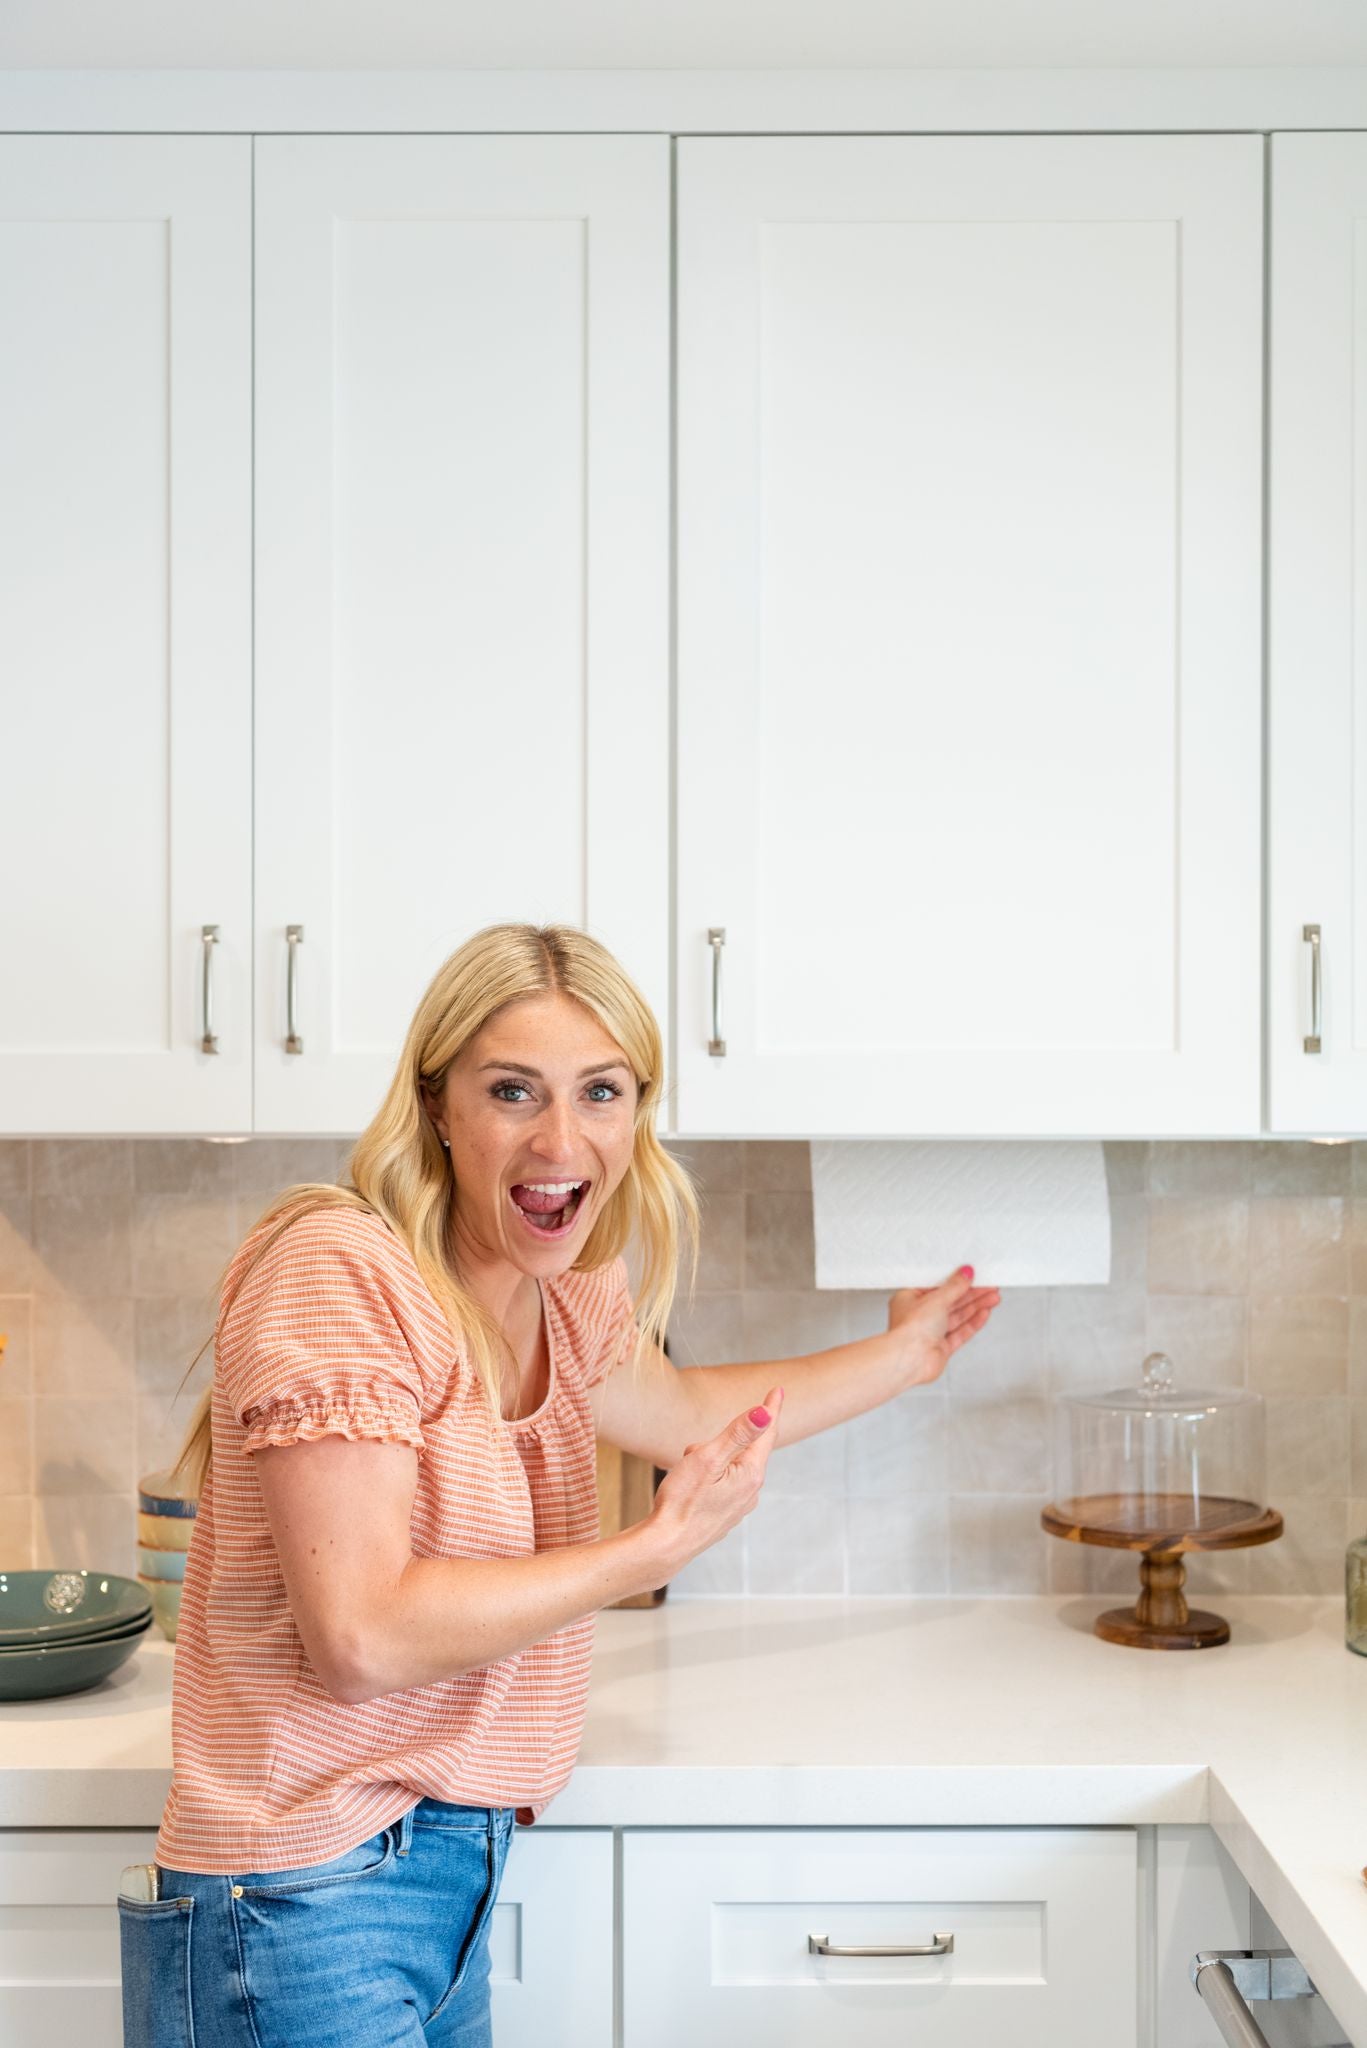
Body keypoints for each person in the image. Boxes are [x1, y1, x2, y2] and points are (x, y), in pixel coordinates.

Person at [118, 921, 1000, 2048]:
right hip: (297, 1899)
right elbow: (362, 1633)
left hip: (444, 1884)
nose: (561, 1137)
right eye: (512, 1090)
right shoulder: (342, 1266)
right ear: (437, 1104)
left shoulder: (564, 1291)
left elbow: (684, 1412)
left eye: (600, 1090)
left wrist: (903, 1355)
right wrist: (646, 1550)